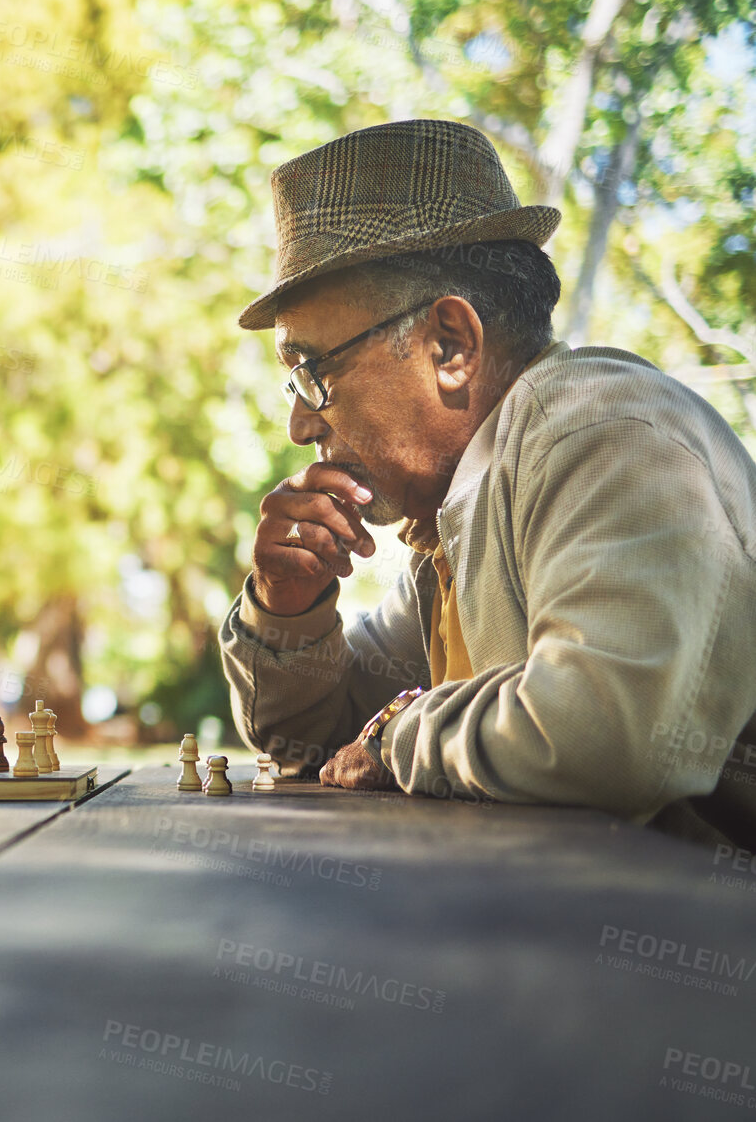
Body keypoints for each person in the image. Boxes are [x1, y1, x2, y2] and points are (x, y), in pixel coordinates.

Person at [218, 119, 756, 847]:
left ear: (450, 345)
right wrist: (290, 609)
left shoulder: (602, 434)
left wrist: (400, 732)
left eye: (313, 372)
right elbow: (311, 747)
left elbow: (605, 738)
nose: (299, 425)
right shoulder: (454, 519)